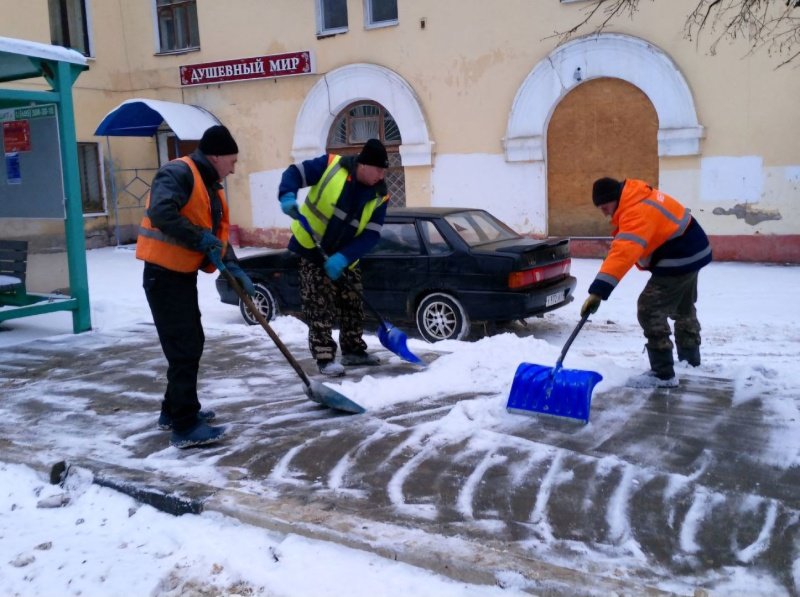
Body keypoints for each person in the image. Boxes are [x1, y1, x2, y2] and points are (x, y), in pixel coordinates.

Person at [136, 124, 255, 448]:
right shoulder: (178, 172)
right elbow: (161, 211)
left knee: (188, 344)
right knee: (185, 346)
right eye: (231, 160)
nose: (234, 168)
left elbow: (214, 236)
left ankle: (174, 411)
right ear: (216, 156)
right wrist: (197, 237)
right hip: (163, 276)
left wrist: (234, 267)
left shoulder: (209, 185)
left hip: (179, 275)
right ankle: (185, 426)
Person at [580, 177, 712, 388]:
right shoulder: (637, 196)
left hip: (680, 256)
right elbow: (624, 246)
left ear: (615, 199)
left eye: (605, 207)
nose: (604, 213)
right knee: (682, 306)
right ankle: (690, 362)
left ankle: (662, 374)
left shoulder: (636, 211)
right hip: (693, 250)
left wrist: (598, 291)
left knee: (649, 308)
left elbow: (625, 250)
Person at [278, 138, 389, 377]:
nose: (381, 176)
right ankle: (325, 357)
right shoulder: (331, 166)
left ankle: (353, 351)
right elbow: (295, 172)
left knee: (353, 303)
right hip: (312, 248)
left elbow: (371, 235)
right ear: (364, 164)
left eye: (384, 171)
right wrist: (287, 195)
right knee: (318, 304)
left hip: (346, 256)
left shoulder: (380, 194)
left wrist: (343, 257)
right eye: (378, 169)